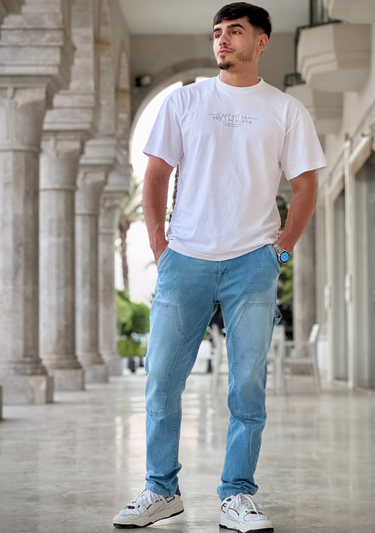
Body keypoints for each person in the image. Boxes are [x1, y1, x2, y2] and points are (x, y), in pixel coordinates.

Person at [112, 3, 326, 531]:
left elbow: (305, 187)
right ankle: (161, 490)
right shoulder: (184, 101)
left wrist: (279, 253)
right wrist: (161, 247)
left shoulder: (286, 110)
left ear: (261, 41)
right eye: (217, 33)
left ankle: (238, 495)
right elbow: (156, 175)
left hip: (252, 263)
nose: (222, 40)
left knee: (247, 385)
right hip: (185, 260)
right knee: (161, 378)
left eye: (235, 31)